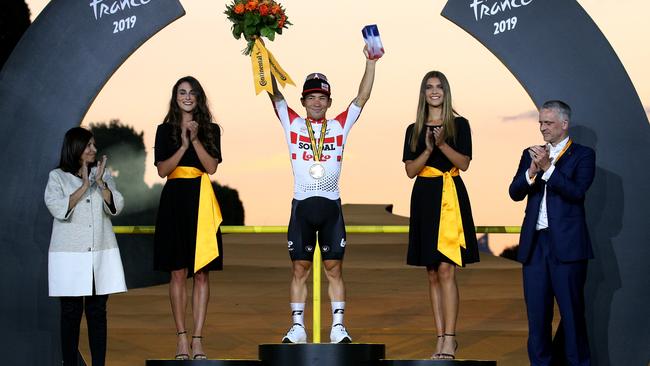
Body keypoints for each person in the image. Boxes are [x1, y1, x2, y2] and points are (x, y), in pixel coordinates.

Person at [266, 46, 378, 344]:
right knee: (299, 268)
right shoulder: (293, 123)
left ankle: (338, 327)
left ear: (329, 102)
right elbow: (274, 94)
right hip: (302, 205)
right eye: (311, 97)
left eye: (322, 97)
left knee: (334, 269)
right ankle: (298, 327)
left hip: (331, 206)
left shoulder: (340, 125)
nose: (317, 102)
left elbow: (362, 98)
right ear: (302, 101)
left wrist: (370, 62)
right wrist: (259, 53)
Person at [509, 100, 594, 366]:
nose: (542, 128)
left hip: (567, 248)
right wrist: (531, 171)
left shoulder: (582, 155)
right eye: (540, 123)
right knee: (537, 318)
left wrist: (548, 169)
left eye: (548, 123)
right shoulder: (531, 153)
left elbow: (576, 192)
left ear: (564, 124)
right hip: (535, 247)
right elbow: (514, 192)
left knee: (572, 317)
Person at [402, 71, 480, 359]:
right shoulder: (413, 129)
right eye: (429, 87)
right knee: (432, 272)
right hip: (424, 196)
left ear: (446, 92)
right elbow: (411, 170)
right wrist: (428, 148)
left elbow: (465, 163)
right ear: (423, 94)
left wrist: (444, 144)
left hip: (450, 195)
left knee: (447, 269)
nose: (434, 92)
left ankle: (450, 338)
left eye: (439, 87)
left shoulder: (460, 125)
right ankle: (439, 338)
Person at [153, 76, 223, 360]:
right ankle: (181, 337)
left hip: (202, 200)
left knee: (202, 273)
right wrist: (182, 145)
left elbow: (211, 167)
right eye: (182, 92)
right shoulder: (164, 130)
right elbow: (162, 171)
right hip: (173, 200)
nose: (187, 96)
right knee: (177, 272)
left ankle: (197, 339)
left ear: (199, 98)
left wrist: (194, 140)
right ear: (175, 97)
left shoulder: (211, 129)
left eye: (192, 92)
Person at [44, 127, 126, 366]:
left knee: (97, 313)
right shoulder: (57, 177)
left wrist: (100, 183)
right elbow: (58, 209)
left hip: (99, 254)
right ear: (76, 148)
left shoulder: (103, 174)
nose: (94, 149)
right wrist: (83, 186)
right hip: (69, 257)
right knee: (70, 314)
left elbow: (117, 205)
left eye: (94, 145)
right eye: (89, 145)